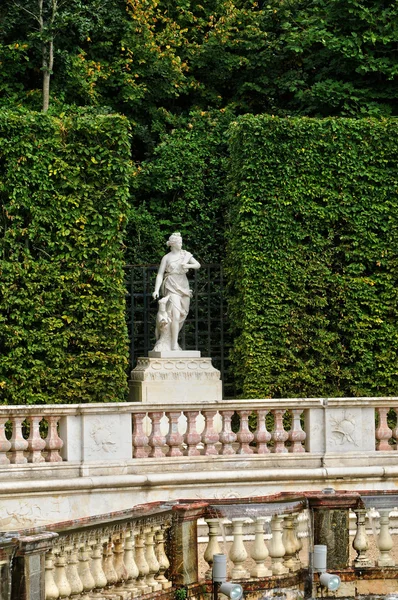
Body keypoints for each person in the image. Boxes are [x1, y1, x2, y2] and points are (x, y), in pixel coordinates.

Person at [152, 232, 200, 351]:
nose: (181, 244)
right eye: (179, 242)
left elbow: (197, 265)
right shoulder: (167, 257)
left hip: (183, 284)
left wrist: (187, 265)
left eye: (181, 242)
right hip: (171, 284)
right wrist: (156, 290)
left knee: (184, 313)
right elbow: (160, 274)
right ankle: (173, 345)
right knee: (175, 315)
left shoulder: (185, 254)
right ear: (173, 244)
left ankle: (172, 340)